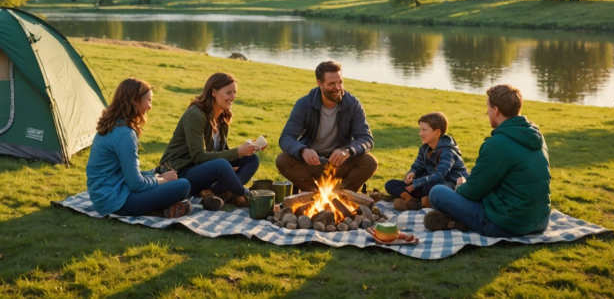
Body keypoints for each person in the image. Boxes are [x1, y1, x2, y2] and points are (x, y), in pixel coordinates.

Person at [425, 84, 551, 236]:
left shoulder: (497, 144)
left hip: (506, 224)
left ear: (496, 110)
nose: (487, 112)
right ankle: (458, 221)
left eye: (488, 107)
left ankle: (461, 221)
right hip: (540, 222)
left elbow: (473, 192)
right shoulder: (536, 136)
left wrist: (461, 187)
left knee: (437, 193)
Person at [86, 78, 192, 218]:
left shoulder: (111, 125)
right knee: (183, 185)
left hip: (102, 197)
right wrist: (163, 180)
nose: (150, 106)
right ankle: (158, 209)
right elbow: (136, 184)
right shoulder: (125, 134)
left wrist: (154, 175)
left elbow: (124, 173)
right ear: (135, 102)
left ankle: (160, 210)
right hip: (116, 202)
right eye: (148, 101)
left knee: (163, 180)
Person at [159, 72, 260, 209]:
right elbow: (199, 157)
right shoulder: (195, 115)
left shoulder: (223, 116)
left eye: (235, 92)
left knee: (251, 159)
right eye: (228, 93)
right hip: (180, 172)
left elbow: (221, 152)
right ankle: (244, 195)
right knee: (221, 165)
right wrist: (237, 152)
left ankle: (212, 192)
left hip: (203, 169)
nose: (233, 97)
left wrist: (247, 150)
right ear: (213, 92)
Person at [276, 60, 377, 192]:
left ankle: (341, 194)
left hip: (340, 163)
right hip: (313, 163)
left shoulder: (353, 104)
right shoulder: (304, 104)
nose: (338, 88)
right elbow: (286, 137)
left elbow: (366, 138)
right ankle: (315, 193)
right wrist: (303, 151)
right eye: (332, 84)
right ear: (320, 83)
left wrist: (347, 151)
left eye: (340, 82)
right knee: (283, 160)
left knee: (370, 162)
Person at [385, 112, 469, 211]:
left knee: (432, 185)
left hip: (448, 186)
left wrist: (415, 184)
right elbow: (418, 165)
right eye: (420, 129)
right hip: (427, 184)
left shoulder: (448, 151)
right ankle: (415, 201)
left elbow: (439, 176)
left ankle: (419, 204)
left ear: (437, 132)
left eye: (424, 130)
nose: (420, 133)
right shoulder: (425, 148)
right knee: (390, 184)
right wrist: (412, 173)